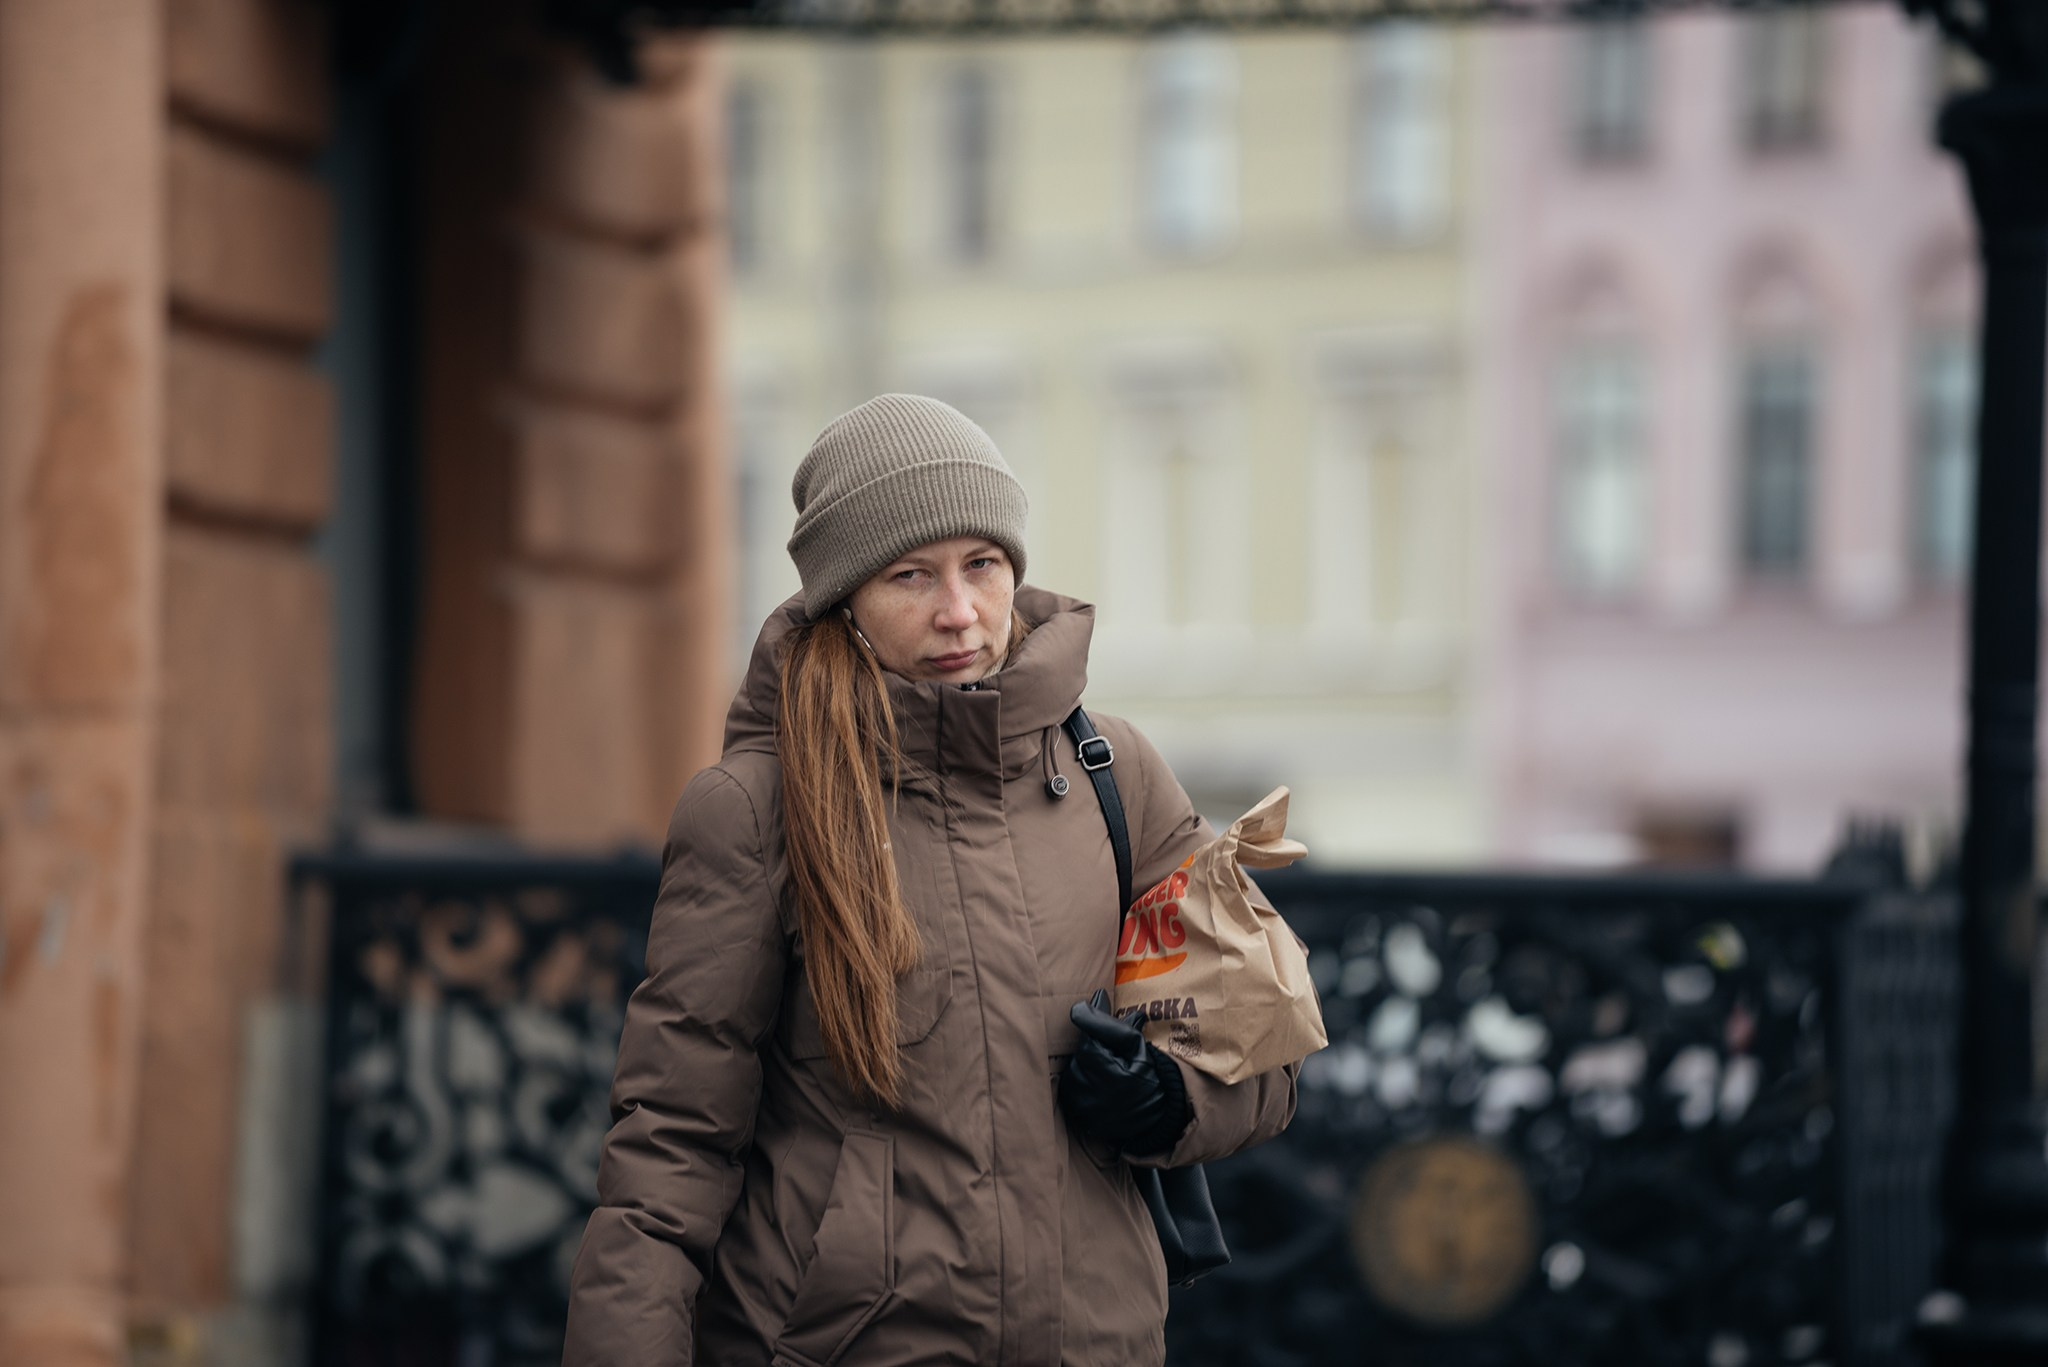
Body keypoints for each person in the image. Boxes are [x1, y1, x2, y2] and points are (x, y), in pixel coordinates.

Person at [563, 394, 1300, 1367]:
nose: (958, 610)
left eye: (981, 564)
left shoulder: (1113, 773)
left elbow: (1263, 1043)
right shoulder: (756, 806)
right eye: (910, 574)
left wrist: (1168, 1096)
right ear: (843, 598)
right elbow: (672, 1143)